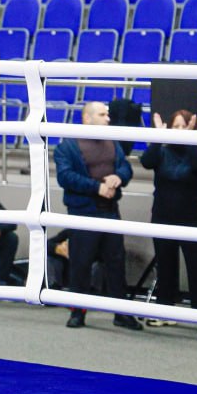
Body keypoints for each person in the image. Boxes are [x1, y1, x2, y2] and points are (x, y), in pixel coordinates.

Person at [53, 101, 141, 331]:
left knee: (116, 263)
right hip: (83, 212)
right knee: (80, 265)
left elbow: (125, 167)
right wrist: (97, 187)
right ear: (87, 118)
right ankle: (78, 312)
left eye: (108, 114)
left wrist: (117, 178)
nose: (108, 119)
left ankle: (121, 313)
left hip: (110, 210)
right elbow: (65, 177)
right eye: (103, 114)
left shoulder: (113, 142)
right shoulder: (68, 147)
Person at [140, 110, 197, 328]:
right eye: (176, 126)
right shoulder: (161, 152)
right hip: (163, 215)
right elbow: (147, 161)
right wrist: (158, 137)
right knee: (165, 264)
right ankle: (165, 310)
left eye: (185, 126)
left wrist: (191, 139)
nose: (180, 130)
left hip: (192, 217)